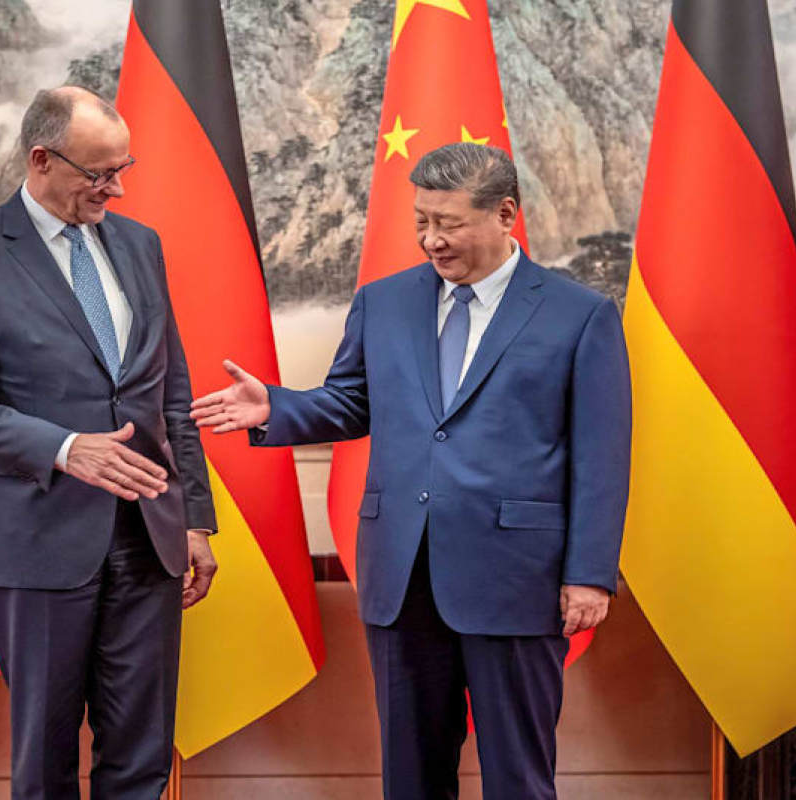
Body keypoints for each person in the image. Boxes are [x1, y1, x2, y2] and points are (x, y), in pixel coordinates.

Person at [192, 143, 631, 800]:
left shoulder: (580, 315)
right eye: (421, 221)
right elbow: (352, 402)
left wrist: (589, 573)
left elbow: (602, 455)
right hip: (402, 574)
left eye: (448, 223)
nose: (431, 240)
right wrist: (275, 408)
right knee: (411, 775)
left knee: (518, 775)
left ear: (505, 213)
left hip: (517, 577)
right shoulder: (384, 302)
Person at [0, 86, 218, 800]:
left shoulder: (140, 245)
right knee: (46, 759)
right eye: (100, 173)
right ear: (41, 159)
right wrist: (66, 447)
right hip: (37, 537)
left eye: (123, 169)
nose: (116, 189)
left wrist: (195, 520)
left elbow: (170, 393)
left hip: (148, 537)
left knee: (142, 757)